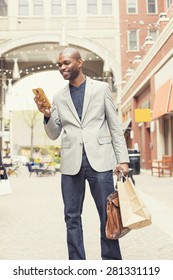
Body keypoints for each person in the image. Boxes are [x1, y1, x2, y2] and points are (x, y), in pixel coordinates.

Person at [34, 47, 129, 260]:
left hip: (101, 161)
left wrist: (122, 159)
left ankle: (112, 263)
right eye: (59, 64)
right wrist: (47, 115)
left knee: (108, 215)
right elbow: (54, 134)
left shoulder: (101, 88)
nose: (62, 68)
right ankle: (77, 265)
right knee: (71, 217)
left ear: (79, 62)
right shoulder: (59, 97)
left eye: (66, 63)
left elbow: (115, 127)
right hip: (71, 164)